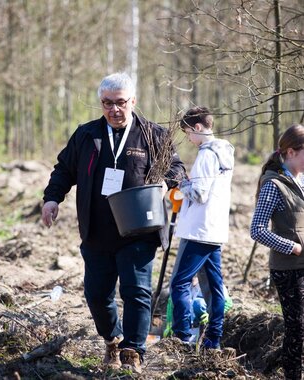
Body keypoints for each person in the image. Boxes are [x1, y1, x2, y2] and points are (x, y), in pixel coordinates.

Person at [42, 72, 186, 374]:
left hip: (139, 229)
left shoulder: (152, 134)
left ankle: (134, 350)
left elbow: (177, 168)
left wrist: (166, 182)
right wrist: (52, 198)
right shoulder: (86, 135)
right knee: (96, 293)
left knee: (136, 291)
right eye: (107, 103)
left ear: (133, 101)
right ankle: (113, 338)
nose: (114, 109)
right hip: (96, 229)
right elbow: (64, 169)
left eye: (120, 102)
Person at [169, 106, 234, 349]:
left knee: (180, 284)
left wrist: (181, 184)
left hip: (198, 231)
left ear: (197, 128)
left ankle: (182, 336)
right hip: (214, 230)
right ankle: (212, 340)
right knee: (215, 287)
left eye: (187, 133)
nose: (188, 138)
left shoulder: (207, 154)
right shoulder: (224, 153)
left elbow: (199, 193)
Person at [250, 124, 304, 380]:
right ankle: (292, 374)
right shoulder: (274, 185)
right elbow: (257, 229)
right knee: (298, 327)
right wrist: (291, 247)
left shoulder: (299, 181)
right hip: (289, 269)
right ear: (292, 152)